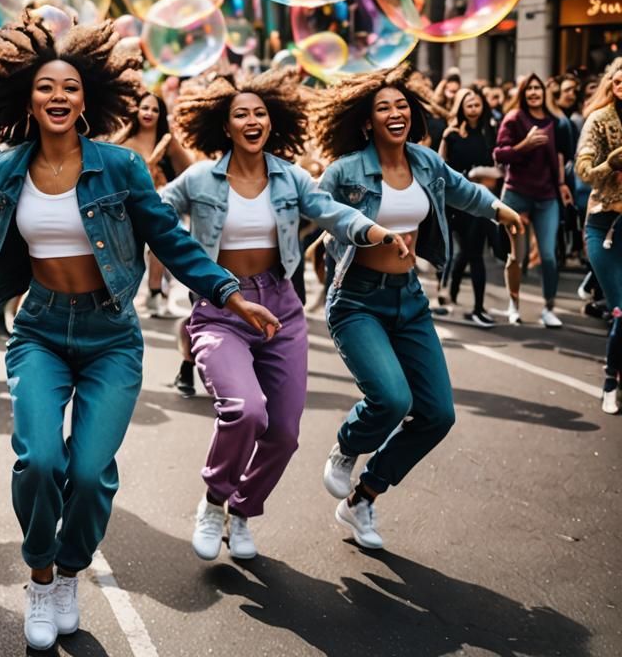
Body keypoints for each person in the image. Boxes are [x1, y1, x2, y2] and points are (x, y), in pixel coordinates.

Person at [0, 17, 278, 651]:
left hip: (111, 336)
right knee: (41, 460)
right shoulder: (7, 168)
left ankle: (71, 570)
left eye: (71, 88)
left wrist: (228, 293)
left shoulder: (121, 167)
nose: (58, 96)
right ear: (26, 98)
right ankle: (41, 574)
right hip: (41, 330)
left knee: (88, 472)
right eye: (46, 86)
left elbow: (171, 237)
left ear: (88, 99)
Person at [163, 70, 405, 562]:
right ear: (224, 126)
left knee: (284, 432)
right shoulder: (199, 178)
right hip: (221, 308)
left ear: (272, 122)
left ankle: (244, 511)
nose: (252, 120)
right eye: (241, 114)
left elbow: (330, 211)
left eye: (259, 113)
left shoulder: (291, 176)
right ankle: (214, 502)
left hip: (280, 306)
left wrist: (371, 230)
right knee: (246, 409)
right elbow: (155, 212)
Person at [313, 66, 521, 550]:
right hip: (357, 298)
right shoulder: (345, 170)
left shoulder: (425, 162)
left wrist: (499, 209)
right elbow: (317, 211)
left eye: (402, 105)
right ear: (367, 122)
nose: (395, 112)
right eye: (383, 107)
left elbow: (463, 191)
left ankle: (364, 496)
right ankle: (347, 446)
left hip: (409, 298)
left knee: (438, 414)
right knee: (391, 399)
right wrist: (358, 230)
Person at [494, 73, 572, 327]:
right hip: (516, 194)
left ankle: (548, 307)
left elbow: (560, 158)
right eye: (529, 89)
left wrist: (561, 185)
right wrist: (524, 145)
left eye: (538, 88)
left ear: (545, 92)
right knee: (518, 256)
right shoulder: (514, 118)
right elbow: (499, 154)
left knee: (549, 256)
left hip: (546, 196)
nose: (534, 93)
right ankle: (513, 304)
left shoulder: (556, 123)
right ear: (523, 93)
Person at [113, 91, 195, 318]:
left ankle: (156, 294)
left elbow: (190, 173)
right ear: (136, 111)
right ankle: (126, 297)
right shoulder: (123, 142)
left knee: (160, 247)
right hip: (127, 210)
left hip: (159, 206)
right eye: (145, 108)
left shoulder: (168, 142)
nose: (149, 113)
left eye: (155, 109)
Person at [574, 58, 622, 414]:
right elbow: (584, 171)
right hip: (604, 225)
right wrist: (613, 163)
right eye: (619, 81)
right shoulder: (599, 119)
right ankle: (610, 381)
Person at [438, 87, 499, 326]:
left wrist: (484, 174)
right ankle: (451, 293)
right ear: (461, 107)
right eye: (468, 104)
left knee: (475, 253)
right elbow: (440, 167)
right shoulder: (451, 134)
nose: (474, 108)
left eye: (477, 104)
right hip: (456, 201)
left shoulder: (489, 132)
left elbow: (496, 167)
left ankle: (478, 307)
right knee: (464, 250)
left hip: (481, 199)